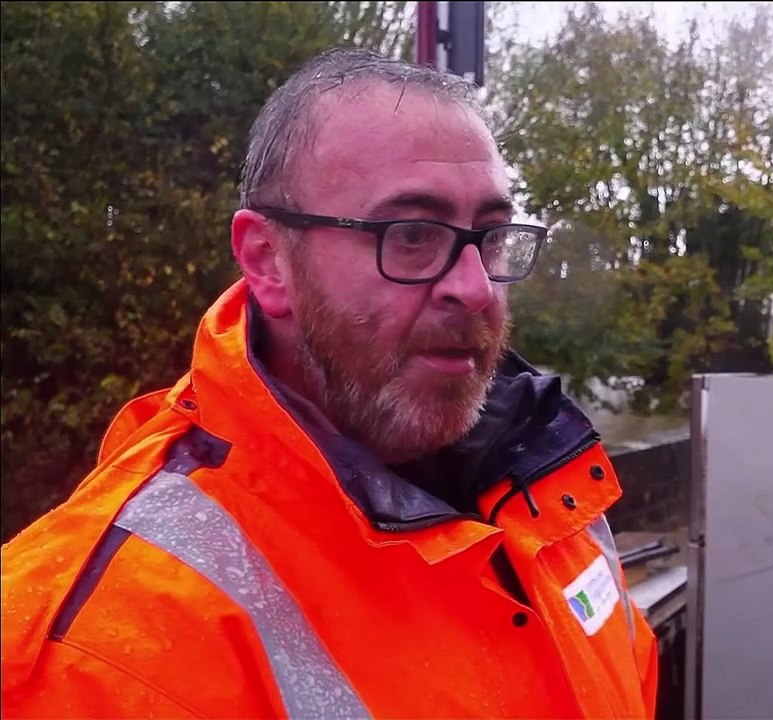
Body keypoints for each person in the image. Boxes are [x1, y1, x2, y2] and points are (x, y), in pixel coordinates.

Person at [1, 47, 658, 719]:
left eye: (489, 237)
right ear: (267, 261)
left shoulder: (555, 495)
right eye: (411, 235)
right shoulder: (98, 652)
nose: (474, 287)